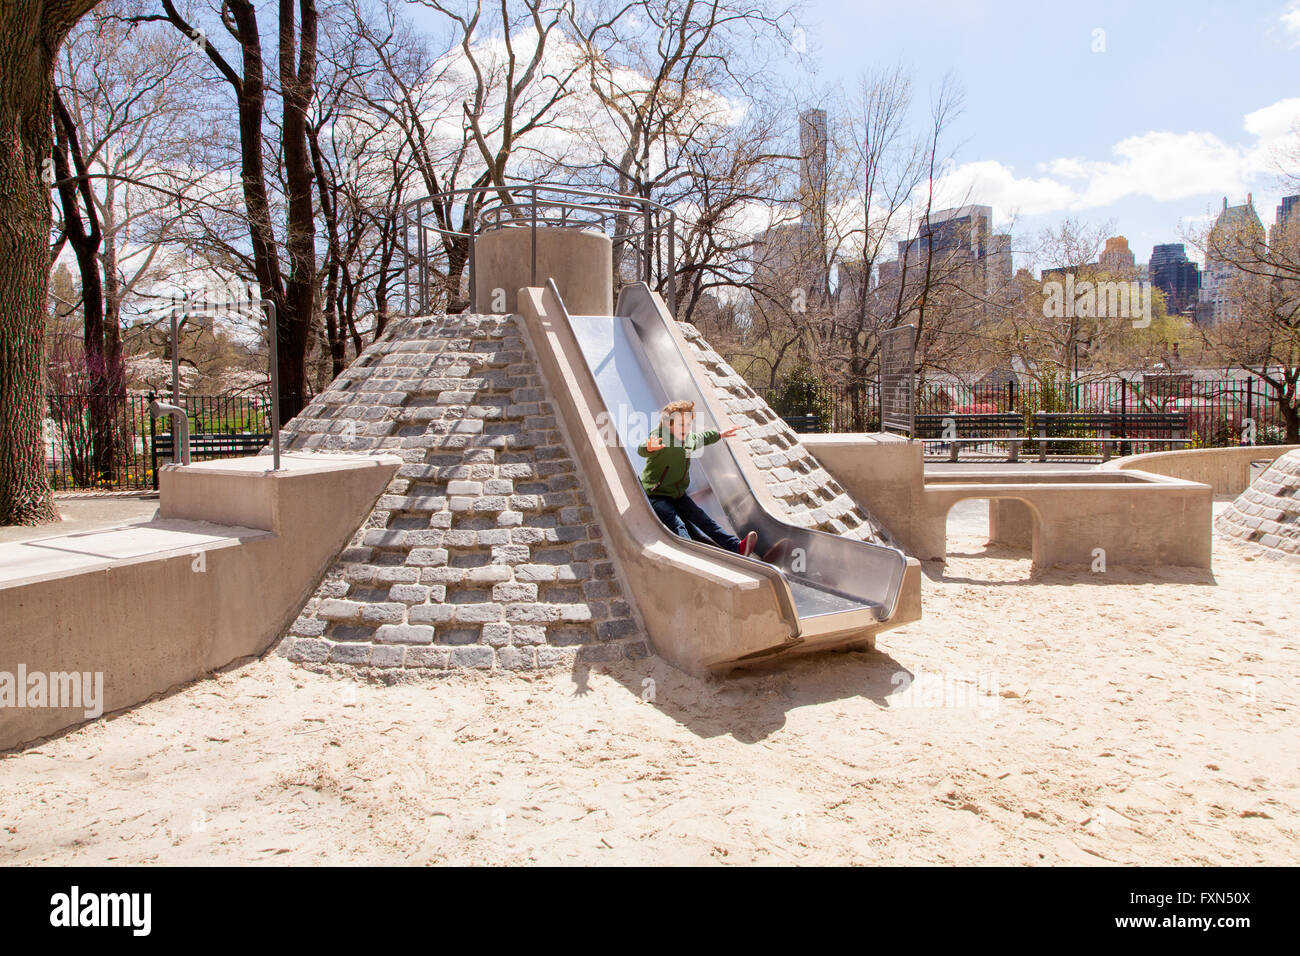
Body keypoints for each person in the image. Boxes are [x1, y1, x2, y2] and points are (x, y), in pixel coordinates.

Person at [637, 399, 758, 556]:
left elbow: (703, 437)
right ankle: (691, 555)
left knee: (703, 519)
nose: (685, 428)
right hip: (656, 495)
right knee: (677, 523)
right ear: (668, 424)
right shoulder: (660, 437)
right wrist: (649, 447)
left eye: (688, 424)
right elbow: (643, 449)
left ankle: (736, 547)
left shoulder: (689, 439)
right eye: (681, 424)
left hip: (679, 494)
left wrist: (720, 434)